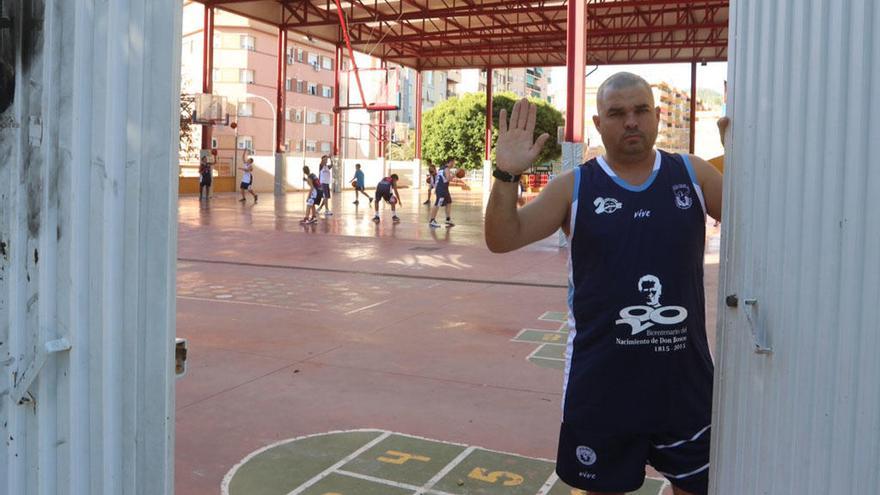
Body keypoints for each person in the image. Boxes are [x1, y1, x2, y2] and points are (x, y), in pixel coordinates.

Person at [484, 72, 725, 495]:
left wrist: (739, 151)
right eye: (617, 113)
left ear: (656, 116)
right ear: (599, 124)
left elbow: (762, 215)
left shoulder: (693, 175)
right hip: (602, 389)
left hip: (684, 386)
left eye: (640, 110)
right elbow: (503, 237)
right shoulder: (575, 187)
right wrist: (505, 175)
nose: (631, 121)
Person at [428, 158, 455, 228]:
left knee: (449, 201)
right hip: (442, 189)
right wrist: (456, 173)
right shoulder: (446, 169)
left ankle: (448, 219)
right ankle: (432, 220)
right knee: (438, 203)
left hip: (444, 189)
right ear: (450, 162)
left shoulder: (441, 168)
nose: (454, 164)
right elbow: (448, 179)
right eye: (453, 162)